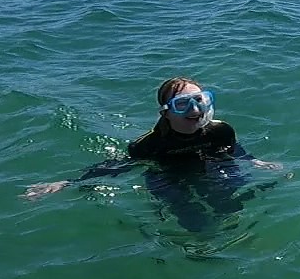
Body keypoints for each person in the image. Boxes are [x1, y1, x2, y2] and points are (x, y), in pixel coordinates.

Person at [22, 77, 281, 202]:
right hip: (166, 175)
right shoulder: (148, 145)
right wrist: (66, 183)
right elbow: (116, 167)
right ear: (166, 113)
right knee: (189, 213)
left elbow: (232, 150)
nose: (193, 109)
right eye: (182, 104)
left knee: (230, 197)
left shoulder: (220, 130)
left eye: (199, 101)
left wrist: (255, 162)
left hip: (207, 166)